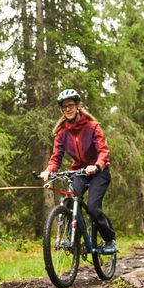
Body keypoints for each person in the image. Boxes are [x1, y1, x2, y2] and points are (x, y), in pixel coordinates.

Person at [39, 88, 117, 254]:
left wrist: (96, 165)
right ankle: (75, 238)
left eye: (71, 105)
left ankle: (110, 239)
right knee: (69, 202)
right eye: (64, 107)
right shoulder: (62, 133)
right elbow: (56, 158)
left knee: (93, 208)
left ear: (78, 106)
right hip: (79, 171)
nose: (68, 109)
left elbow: (103, 151)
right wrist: (48, 171)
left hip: (99, 171)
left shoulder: (92, 127)